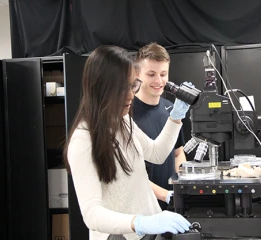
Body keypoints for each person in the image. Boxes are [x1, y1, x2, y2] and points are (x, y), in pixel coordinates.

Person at [63, 45, 192, 240]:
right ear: (101, 88)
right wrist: (139, 223)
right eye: (122, 89)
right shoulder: (83, 140)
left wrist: (176, 117)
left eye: (133, 85)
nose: (131, 95)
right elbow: (92, 214)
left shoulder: (121, 120)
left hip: (150, 232)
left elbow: (156, 154)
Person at [133, 43, 187, 210]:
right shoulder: (126, 112)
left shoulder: (172, 109)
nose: (159, 81)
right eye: (151, 74)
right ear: (137, 74)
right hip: (142, 207)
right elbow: (130, 174)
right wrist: (165, 195)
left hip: (172, 202)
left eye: (163, 74)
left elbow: (178, 153)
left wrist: (181, 184)